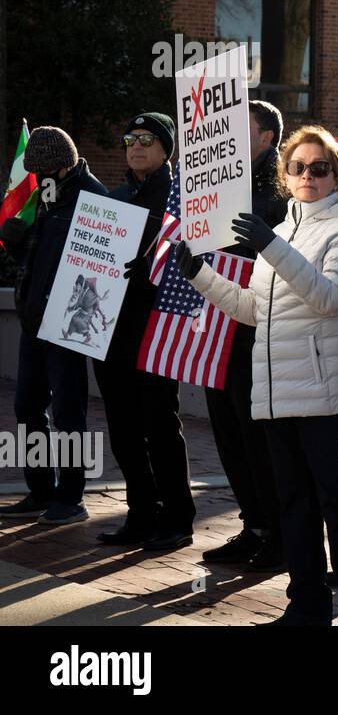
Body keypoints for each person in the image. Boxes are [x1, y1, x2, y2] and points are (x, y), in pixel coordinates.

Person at [177, 126, 338, 626]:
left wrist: (269, 248)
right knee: (294, 506)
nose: (308, 175)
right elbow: (253, 309)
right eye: (299, 167)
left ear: (337, 175)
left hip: (327, 394)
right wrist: (200, 274)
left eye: (320, 168)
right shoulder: (283, 230)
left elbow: (329, 297)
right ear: (286, 175)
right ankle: (305, 607)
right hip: (277, 394)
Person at [94, 114, 196, 551]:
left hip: (156, 331)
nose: (135, 146)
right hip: (109, 331)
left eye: (147, 140)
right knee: (123, 427)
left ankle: (176, 517)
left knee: (158, 424)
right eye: (129, 138)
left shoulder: (182, 201)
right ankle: (140, 514)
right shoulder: (115, 198)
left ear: (167, 149)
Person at [0, 127, 107, 524]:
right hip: (34, 320)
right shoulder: (47, 199)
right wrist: (14, 240)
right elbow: (36, 257)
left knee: (68, 411)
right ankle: (40, 490)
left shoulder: (92, 198)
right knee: (28, 406)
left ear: (61, 167)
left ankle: (71, 496)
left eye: (42, 172)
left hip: (66, 323)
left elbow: (98, 270)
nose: (37, 180)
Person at [201, 101, 289, 571]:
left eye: (242, 128)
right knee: (227, 430)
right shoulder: (218, 181)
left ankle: (277, 534)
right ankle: (253, 525)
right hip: (216, 318)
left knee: (255, 436)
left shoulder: (280, 188)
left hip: (254, 326)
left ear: (266, 139)